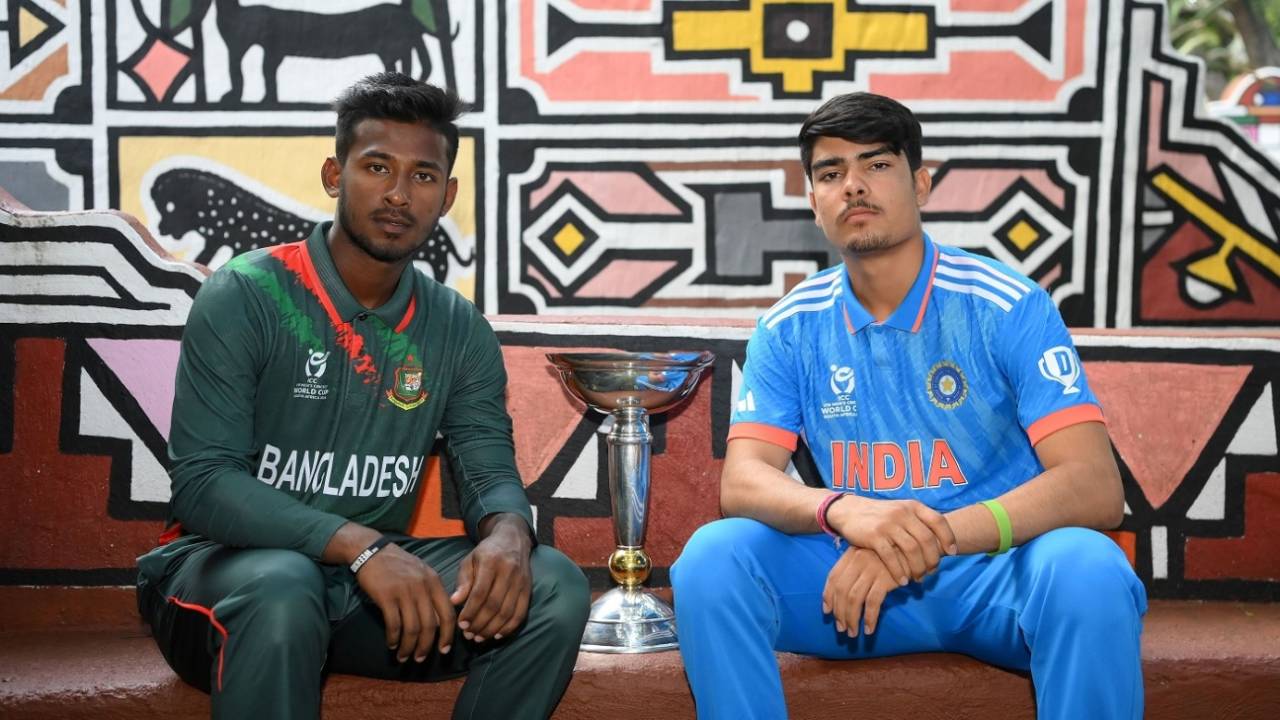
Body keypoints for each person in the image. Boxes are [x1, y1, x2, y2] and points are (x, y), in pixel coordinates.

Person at [671, 92, 1147, 719]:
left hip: (995, 573)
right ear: (813, 202)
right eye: (831, 173)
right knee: (712, 559)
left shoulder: (1008, 305)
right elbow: (743, 481)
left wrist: (924, 538)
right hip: (852, 590)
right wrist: (843, 511)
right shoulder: (788, 326)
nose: (854, 187)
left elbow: (1094, 486)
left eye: (877, 165)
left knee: (1088, 569)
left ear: (921, 183)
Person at [135, 72, 590, 720]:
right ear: (333, 173)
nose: (399, 194)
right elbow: (203, 484)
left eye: (424, 176)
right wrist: (362, 546)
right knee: (283, 588)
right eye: (377, 166)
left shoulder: (458, 329)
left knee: (554, 586)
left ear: (448, 194)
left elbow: (488, 467)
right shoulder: (249, 293)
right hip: (220, 579)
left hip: (365, 592)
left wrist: (510, 536)